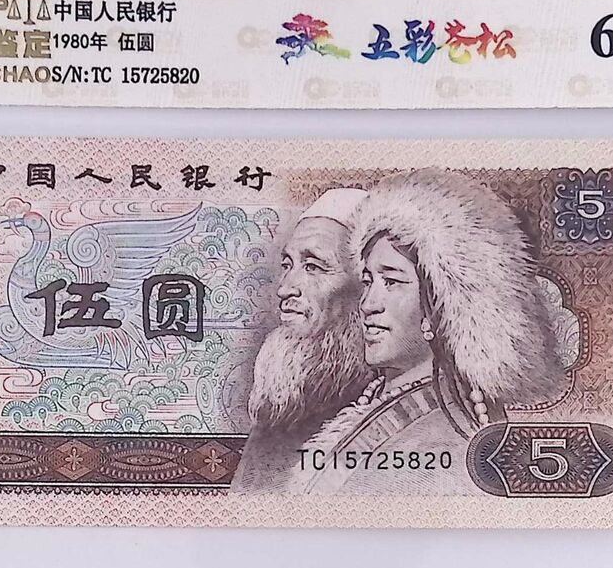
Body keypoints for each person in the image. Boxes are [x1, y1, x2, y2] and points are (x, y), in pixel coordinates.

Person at [290, 169, 574, 496]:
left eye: (392, 281)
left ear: (439, 304)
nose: (368, 304)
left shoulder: (444, 437)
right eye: (367, 281)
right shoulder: (381, 399)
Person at [230, 187, 374, 493]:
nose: (285, 289)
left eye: (313, 267)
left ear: (366, 288)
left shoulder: (389, 406)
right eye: (287, 265)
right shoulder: (280, 410)